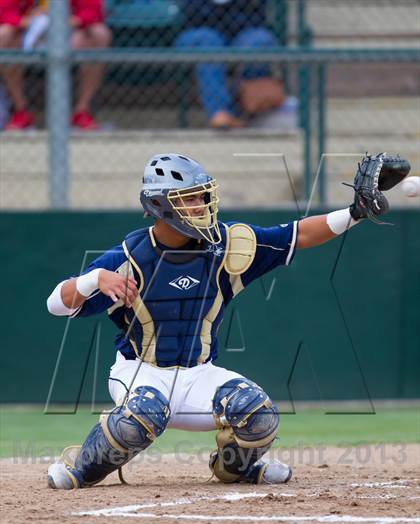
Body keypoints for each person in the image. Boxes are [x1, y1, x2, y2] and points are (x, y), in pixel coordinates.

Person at [46, 152, 409, 489]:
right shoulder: (129, 257)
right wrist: (94, 280)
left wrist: (355, 212)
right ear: (160, 205)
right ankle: (81, 468)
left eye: (202, 197)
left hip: (198, 374)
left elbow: (297, 235)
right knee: (140, 415)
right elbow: (56, 305)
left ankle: (235, 469)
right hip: (140, 372)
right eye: (190, 198)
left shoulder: (227, 244)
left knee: (258, 413)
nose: (202, 206)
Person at [0, 0, 111, 130]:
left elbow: (93, 11)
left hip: (69, 32)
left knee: (99, 33)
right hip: (27, 31)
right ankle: (20, 111)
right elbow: (4, 12)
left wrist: (67, 21)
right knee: (4, 34)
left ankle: (82, 111)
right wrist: (29, 21)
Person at [175, 0, 285, 129]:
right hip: (198, 32)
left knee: (259, 41)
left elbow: (257, 16)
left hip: (243, 30)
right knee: (209, 43)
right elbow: (191, 14)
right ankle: (220, 112)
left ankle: (253, 108)